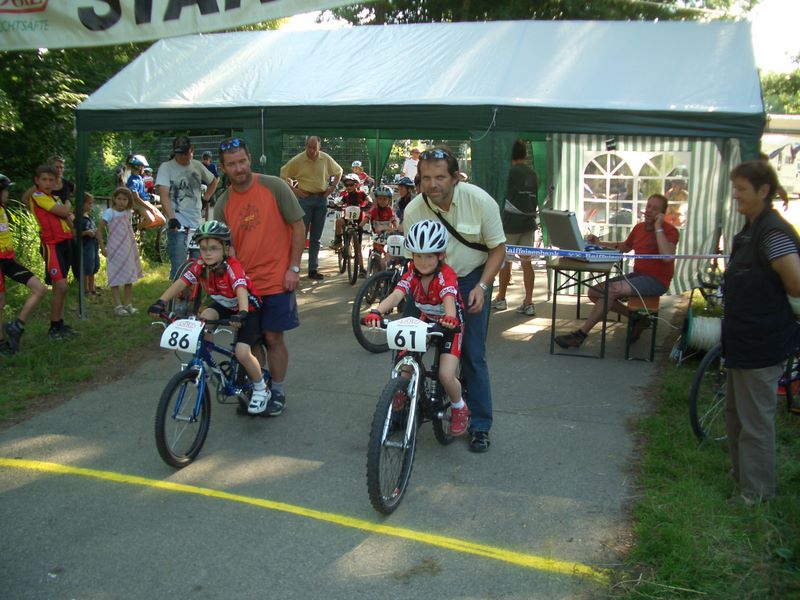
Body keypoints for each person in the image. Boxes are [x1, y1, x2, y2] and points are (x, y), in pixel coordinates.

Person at [402, 147, 506, 453]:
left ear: (456, 177)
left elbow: (498, 248)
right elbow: (412, 259)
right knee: (406, 342)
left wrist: (482, 287)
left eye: (440, 177)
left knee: (472, 352)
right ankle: (400, 407)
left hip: (471, 276)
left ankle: (480, 424)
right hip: (427, 277)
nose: (432, 184)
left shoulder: (480, 201)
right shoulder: (414, 210)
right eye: (425, 178)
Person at [723, 160, 800, 505]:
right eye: (735, 188)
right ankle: (742, 478)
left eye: (741, 189)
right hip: (741, 340)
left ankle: (757, 495)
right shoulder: (749, 230)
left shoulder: (772, 233)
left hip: (762, 341)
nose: (735, 195)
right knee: (736, 416)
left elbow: (796, 283)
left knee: (755, 422)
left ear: (763, 190)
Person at [214, 137, 306, 417]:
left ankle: (277, 390)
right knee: (251, 340)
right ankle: (259, 388)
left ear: (250, 159)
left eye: (242, 161)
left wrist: (293, 268)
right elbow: (222, 248)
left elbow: (298, 226)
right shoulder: (223, 203)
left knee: (273, 337)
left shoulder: (274, 186)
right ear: (223, 168)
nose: (239, 168)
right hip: (245, 287)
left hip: (277, 279)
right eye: (232, 164)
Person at [148, 221, 270, 414]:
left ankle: (261, 388)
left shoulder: (232, 266)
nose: (207, 253)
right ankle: (206, 359)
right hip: (224, 304)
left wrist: (242, 313)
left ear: (225, 249)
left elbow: (240, 289)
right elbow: (181, 282)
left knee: (242, 353)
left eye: (213, 248)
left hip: (248, 307)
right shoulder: (200, 266)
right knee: (203, 319)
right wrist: (160, 302)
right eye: (203, 248)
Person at [363, 220, 471, 435]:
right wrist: (377, 311)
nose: (423, 262)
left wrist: (450, 318)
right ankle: (401, 391)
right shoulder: (412, 273)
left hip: (450, 324)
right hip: (426, 318)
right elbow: (396, 295)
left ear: (441, 256)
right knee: (405, 363)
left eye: (429, 256)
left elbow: (449, 298)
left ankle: (459, 407)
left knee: (445, 375)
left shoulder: (446, 275)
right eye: (418, 256)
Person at [554, 193, 680, 349]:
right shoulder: (639, 228)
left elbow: (667, 257)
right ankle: (637, 319)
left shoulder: (670, 231)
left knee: (612, 290)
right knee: (594, 292)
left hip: (657, 280)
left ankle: (580, 335)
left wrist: (658, 228)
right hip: (638, 275)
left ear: (662, 214)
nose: (649, 210)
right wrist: (599, 243)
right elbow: (624, 247)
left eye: (655, 209)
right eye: (648, 206)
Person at [156, 135, 219, 280]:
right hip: (177, 224)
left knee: (197, 266)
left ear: (192, 150)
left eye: (186, 153)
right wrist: (172, 218)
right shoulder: (166, 167)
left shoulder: (197, 166)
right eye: (180, 154)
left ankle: (193, 293)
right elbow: (163, 195)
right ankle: (177, 293)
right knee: (179, 266)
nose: (183, 157)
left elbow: (214, 180)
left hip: (196, 223)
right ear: (175, 152)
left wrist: (206, 197)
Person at [279, 136, 343, 280]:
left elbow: (339, 171)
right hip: (304, 200)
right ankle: (294, 268)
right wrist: (294, 191)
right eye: (309, 147)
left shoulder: (325, 158)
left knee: (316, 237)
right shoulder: (298, 160)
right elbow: (283, 173)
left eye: (315, 148)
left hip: (321, 199)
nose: (312, 151)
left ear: (319, 147)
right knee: (300, 235)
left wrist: (332, 187)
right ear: (305, 146)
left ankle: (313, 269)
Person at [28, 164, 79, 341]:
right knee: (61, 285)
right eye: (44, 180)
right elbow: (64, 211)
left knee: (61, 288)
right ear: (37, 181)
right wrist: (67, 204)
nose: (48, 183)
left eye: (51, 180)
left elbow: (68, 218)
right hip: (51, 245)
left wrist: (71, 224)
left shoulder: (53, 197)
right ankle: (54, 327)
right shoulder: (38, 196)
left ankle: (59, 324)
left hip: (65, 242)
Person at [491, 139, 540, 317]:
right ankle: (529, 302)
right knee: (527, 263)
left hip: (509, 225)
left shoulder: (508, 172)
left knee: (505, 262)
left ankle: (501, 298)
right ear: (524, 153)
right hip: (528, 224)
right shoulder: (533, 173)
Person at [0, 174, 47, 355]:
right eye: (5, 190)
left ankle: (16, 326)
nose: (8, 193)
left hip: (9, 261)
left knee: (39, 289)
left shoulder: (2, 210)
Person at [98, 187, 145, 316]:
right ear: (114, 199)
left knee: (129, 276)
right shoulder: (109, 213)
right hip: (114, 248)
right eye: (119, 198)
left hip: (127, 248)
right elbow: (99, 230)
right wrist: (102, 247)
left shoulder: (128, 213)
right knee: (115, 276)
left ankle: (128, 304)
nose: (121, 202)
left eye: (125, 199)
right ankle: (118, 305)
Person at [329, 173, 370, 252]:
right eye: (346, 185)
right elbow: (340, 203)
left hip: (359, 217)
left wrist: (368, 204)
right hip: (348, 216)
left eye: (351, 185)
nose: (349, 187)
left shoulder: (362, 193)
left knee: (359, 238)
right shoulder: (346, 196)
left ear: (356, 185)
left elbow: (369, 199)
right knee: (338, 222)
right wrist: (334, 205)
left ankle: (359, 253)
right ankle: (338, 241)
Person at [365, 186, 400, 272]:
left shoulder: (390, 210)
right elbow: (366, 219)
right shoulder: (374, 209)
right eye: (380, 199)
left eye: (385, 199)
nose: (382, 201)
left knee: (391, 255)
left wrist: (389, 229)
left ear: (389, 200)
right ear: (376, 199)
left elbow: (395, 226)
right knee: (377, 254)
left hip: (388, 235)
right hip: (377, 236)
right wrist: (359, 227)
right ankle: (375, 270)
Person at [80, 192, 101, 297]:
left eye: (91, 203)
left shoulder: (90, 217)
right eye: (89, 203)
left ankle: (92, 288)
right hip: (85, 245)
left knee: (94, 266)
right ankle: (86, 289)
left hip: (93, 244)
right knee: (87, 267)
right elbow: (75, 233)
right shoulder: (79, 218)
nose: (91, 205)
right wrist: (86, 233)